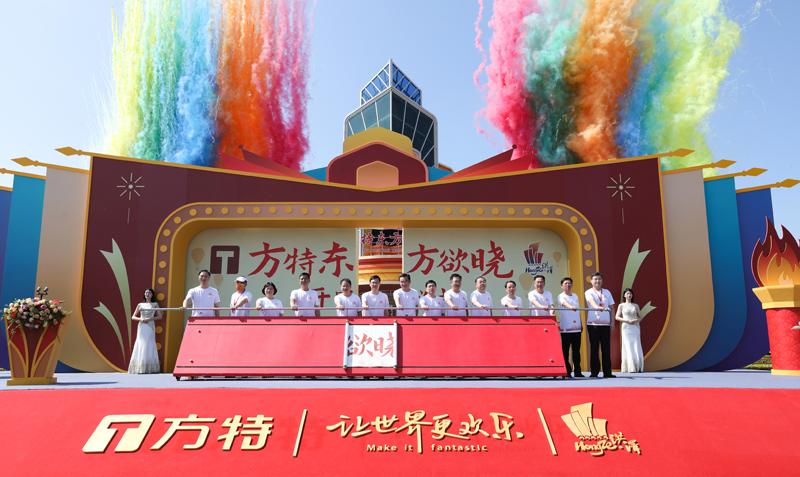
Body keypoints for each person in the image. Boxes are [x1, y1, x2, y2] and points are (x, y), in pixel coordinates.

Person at [584, 272, 616, 378]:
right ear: (591, 281)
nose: (597, 281)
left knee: (606, 349)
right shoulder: (588, 292)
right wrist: (598, 307)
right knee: (594, 349)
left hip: (605, 325)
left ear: (602, 281)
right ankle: (594, 372)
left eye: (599, 279)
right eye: (595, 279)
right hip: (593, 324)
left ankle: (607, 372)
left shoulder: (607, 292)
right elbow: (591, 302)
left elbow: (612, 308)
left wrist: (612, 322)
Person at [129, 288, 162, 374]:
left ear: (152, 295)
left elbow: (160, 316)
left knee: (149, 343)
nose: (147, 294)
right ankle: (139, 367)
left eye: (149, 292)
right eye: (146, 292)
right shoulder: (140, 305)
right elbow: (133, 317)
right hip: (142, 326)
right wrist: (141, 319)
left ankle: (149, 368)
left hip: (150, 325)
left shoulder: (155, 304)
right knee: (141, 343)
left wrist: (150, 319)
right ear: (144, 294)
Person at [557, 277, 584, 378]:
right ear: (562, 286)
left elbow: (578, 311)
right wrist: (570, 307)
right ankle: (567, 371)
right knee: (565, 351)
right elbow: (564, 303)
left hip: (576, 328)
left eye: (569, 283)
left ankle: (577, 371)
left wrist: (581, 323)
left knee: (576, 351)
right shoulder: (560, 296)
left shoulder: (575, 296)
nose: (568, 285)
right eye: (565, 283)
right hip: (566, 329)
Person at [616, 288, 644, 373]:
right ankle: (630, 367)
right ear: (624, 295)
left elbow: (640, 317)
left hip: (635, 327)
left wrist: (636, 320)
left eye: (630, 293)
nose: (629, 295)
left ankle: (638, 366)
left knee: (636, 345)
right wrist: (626, 320)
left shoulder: (636, 306)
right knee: (627, 345)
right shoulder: (621, 305)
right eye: (627, 293)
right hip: (626, 327)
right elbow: (617, 317)